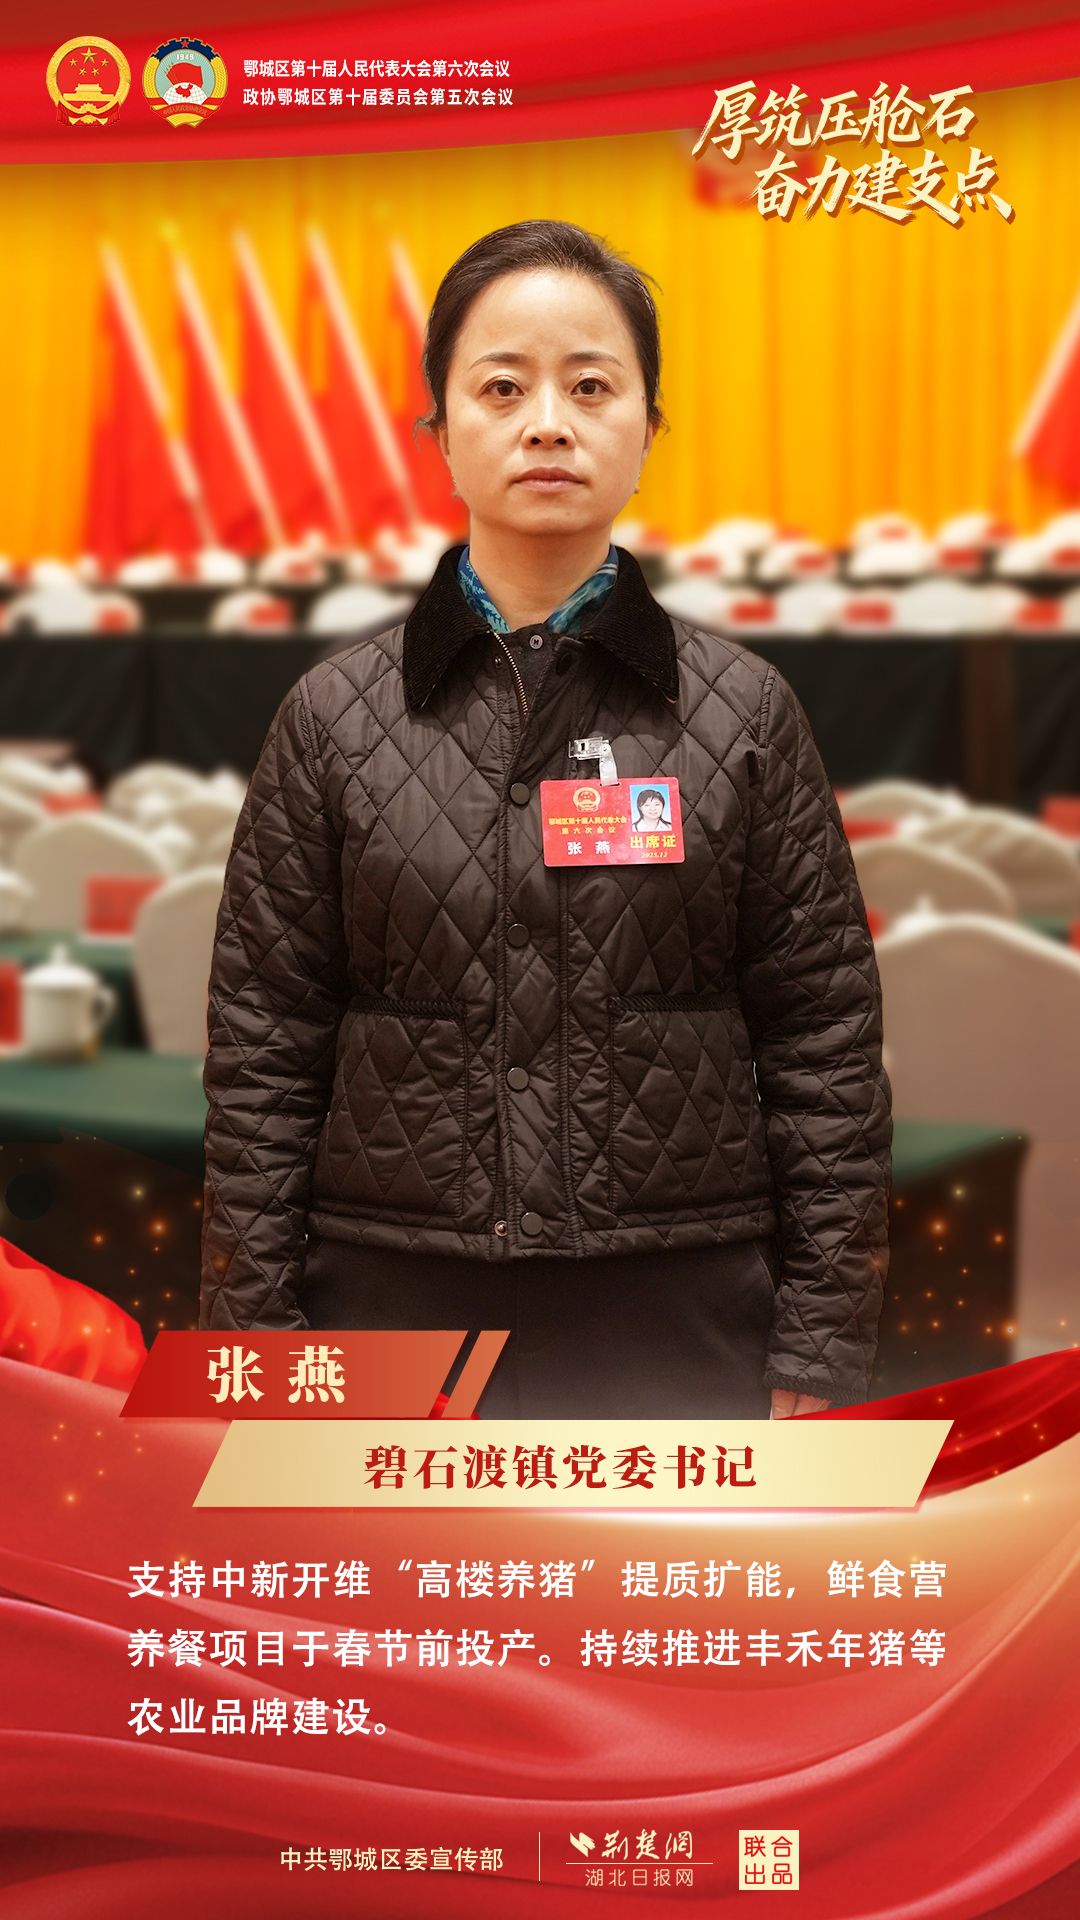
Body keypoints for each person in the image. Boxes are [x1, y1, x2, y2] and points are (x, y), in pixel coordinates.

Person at [199, 218, 893, 1421]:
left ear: (649, 430)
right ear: (440, 434)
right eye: (502, 388)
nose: (548, 424)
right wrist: (253, 1344)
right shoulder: (331, 717)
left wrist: (822, 1345)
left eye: (591, 386)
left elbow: (823, 1042)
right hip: (388, 1299)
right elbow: (263, 1047)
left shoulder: (745, 713)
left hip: (678, 1308)